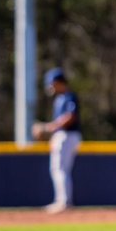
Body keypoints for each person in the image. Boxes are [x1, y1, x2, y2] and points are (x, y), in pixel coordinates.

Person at [32, 67, 82, 213]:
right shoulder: (60, 99)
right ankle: (62, 200)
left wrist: (47, 128)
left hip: (68, 135)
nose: (51, 87)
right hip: (63, 135)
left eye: (52, 83)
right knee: (58, 169)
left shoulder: (69, 97)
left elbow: (70, 117)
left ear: (59, 82)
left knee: (60, 169)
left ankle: (64, 202)